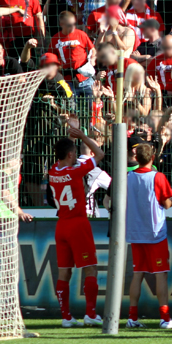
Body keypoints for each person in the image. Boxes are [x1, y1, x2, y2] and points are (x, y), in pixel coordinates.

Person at [47, 126, 105, 327]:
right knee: (90, 269)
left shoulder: (53, 171)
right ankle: (90, 313)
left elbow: (62, 157)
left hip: (61, 225)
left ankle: (66, 317)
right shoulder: (76, 172)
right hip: (78, 223)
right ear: (71, 154)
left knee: (64, 272)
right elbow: (99, 154)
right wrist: (82, 136)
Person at [124, 143, 172, 329]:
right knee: (160, 275)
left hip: (135, 232)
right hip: (154, 232)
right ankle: (165, 319)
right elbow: (165, 203)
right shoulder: (158, 177)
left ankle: (132, 317)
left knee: (137, 274)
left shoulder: (128, 177)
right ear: (153, 158)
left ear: (136, 158)